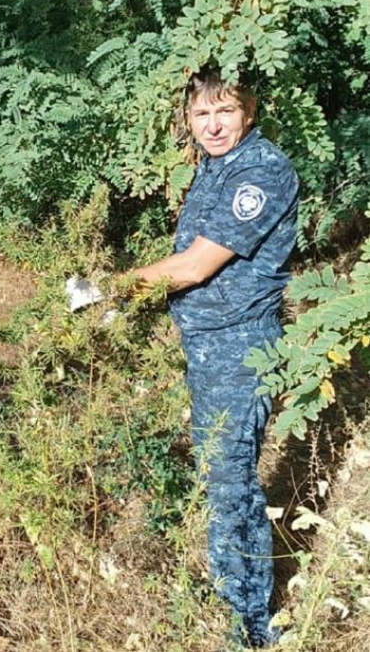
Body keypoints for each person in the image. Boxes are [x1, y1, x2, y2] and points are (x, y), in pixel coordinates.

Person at [71, 67, 298, 647]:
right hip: (209, 345)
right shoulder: (214, 167)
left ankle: (251, 628)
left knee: (229, 482)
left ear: (248, 111)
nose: (214, 125)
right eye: (202, 115)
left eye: (225, 112)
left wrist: (107, 287)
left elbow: (196, 266)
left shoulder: (260, 170)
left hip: (240, 346)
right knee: (220, 475)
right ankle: (237, 609)